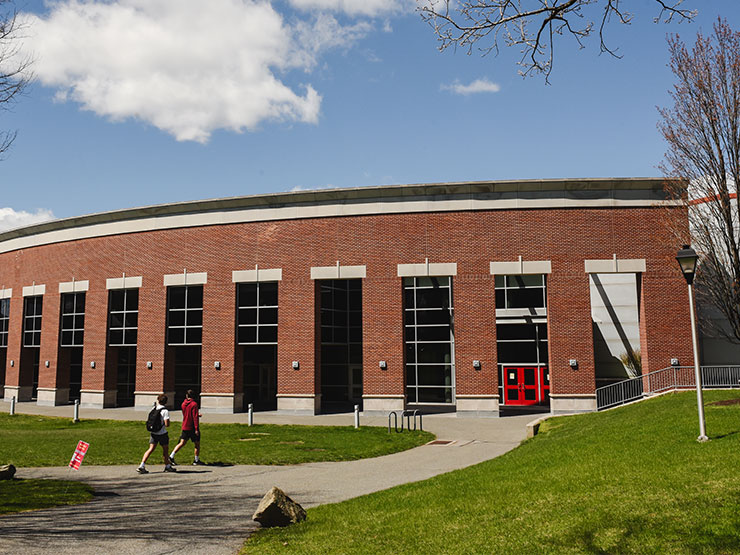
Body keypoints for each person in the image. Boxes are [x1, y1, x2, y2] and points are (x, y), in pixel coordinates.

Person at [137, 394, 176, 474]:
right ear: (166, 402)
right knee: (165, 451)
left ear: (158, 400)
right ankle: (167, 466)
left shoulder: (154, 409)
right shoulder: (165, 411)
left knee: (150, 449)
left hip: (153, 433)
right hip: (162, 433)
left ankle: (142, 465)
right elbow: (167, 424)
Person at [169, 389, 205, 466]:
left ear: (186, 396)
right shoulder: (194, 404)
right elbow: (194, 417)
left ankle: (171, 456)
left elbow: (186, 414)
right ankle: (196, 460)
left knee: (182, 443)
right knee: (197, 444)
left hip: (185, 425)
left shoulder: (183, 404)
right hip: (192, 427)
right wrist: (196, 428)